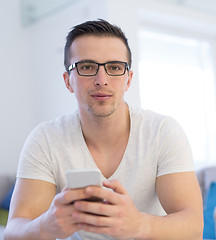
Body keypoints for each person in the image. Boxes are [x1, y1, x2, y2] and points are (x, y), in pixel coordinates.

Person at [4, 19, 203, 240]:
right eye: (87, 67)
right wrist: (46, 226)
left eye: (115, 67)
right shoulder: (45, 139)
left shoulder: (163, 132)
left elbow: (193, 226)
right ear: (68, 81)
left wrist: (139, 225)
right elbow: (13, 231)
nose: (102, 80)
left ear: (128, 79)